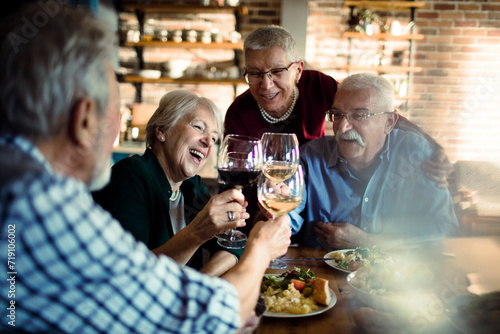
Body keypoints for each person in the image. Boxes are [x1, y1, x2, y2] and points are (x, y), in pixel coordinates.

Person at [0, 4, 290, 333]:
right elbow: (210, 316)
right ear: (84, 119)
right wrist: (261, 248)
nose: (209, 143)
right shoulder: (43, 206)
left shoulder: (21, 182)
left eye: (214, 137)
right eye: (116, 111)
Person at [224, 25, 452, 188]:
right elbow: (239, 179)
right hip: (264, 198)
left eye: (277, 71)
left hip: (316, 189)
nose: (266, 84)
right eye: (254, 73)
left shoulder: (318, 85)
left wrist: (434, 148)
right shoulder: (238, 112)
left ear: (298, 71)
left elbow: (379, 115)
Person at [288, 73, 459, 250]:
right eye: (337, 115)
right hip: (321, 274)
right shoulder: (310, 157)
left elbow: (444, 230)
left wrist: (368, 243)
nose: (342, 127)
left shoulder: (414, 154)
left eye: (359, 115)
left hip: (398, 275)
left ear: (389, 122)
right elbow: (285, 215)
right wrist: (275, 220)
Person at [93, 90, 247, 276]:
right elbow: (131, 273)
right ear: (162, 130)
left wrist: (202, 279)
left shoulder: (192, 186)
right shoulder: (130, 175)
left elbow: (233, 245)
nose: (208, 142)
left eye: (214, 138)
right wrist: (197, 233)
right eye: (198, 127)